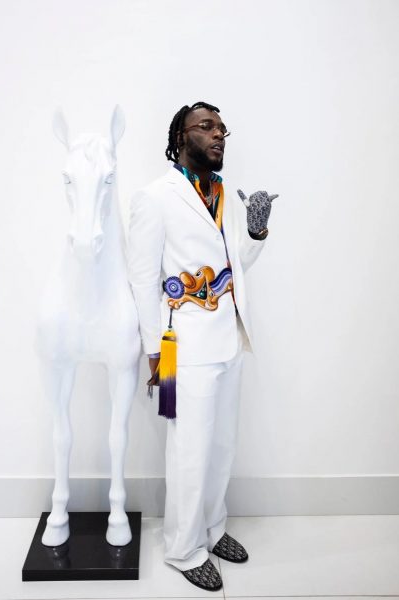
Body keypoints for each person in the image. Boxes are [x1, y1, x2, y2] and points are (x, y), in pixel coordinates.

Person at [128, 101, 276, 591]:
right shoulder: (155, 197)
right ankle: (183, 549)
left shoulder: (222, 193)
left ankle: (212, 529)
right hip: (181, 345)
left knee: (222, 445)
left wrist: (255, 231)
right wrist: (154, 351)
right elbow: (142, 279)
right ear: (181, 137)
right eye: (206, 126)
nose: (218, 135)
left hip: (229, 336)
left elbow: (236, 265)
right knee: (189, 450)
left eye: (222, 128)